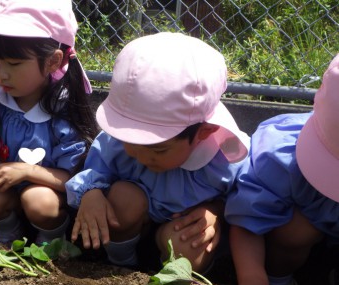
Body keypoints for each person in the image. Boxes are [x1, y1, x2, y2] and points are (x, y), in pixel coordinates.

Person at [66, 32, 250, 272]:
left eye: (157, 149)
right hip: (135, 221)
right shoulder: (116, 142)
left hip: (179, 228)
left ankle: (176, 275)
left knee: (191, 244)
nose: (140, 156)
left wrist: (217, 212)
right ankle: (120, 268)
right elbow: (96, 168)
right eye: (130, 142)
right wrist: (91, 194)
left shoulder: (226, 158)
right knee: (123, 198)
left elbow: (244, 201)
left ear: (203, 132)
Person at [0, 0, 98, 246]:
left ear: (53, 61)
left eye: (14, 64)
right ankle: (7, 235)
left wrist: (28, 171)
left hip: (50, 199)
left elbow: (73, 178)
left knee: (39, 200)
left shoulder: (65, 112)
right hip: (4, 197)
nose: (0, 73)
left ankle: (52, 242)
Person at [225, 54, 339, 285]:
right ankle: (280, 279)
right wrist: (253, 277)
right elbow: (248, 220)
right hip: (303, 230)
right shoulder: (281, 156)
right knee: (296, 231)